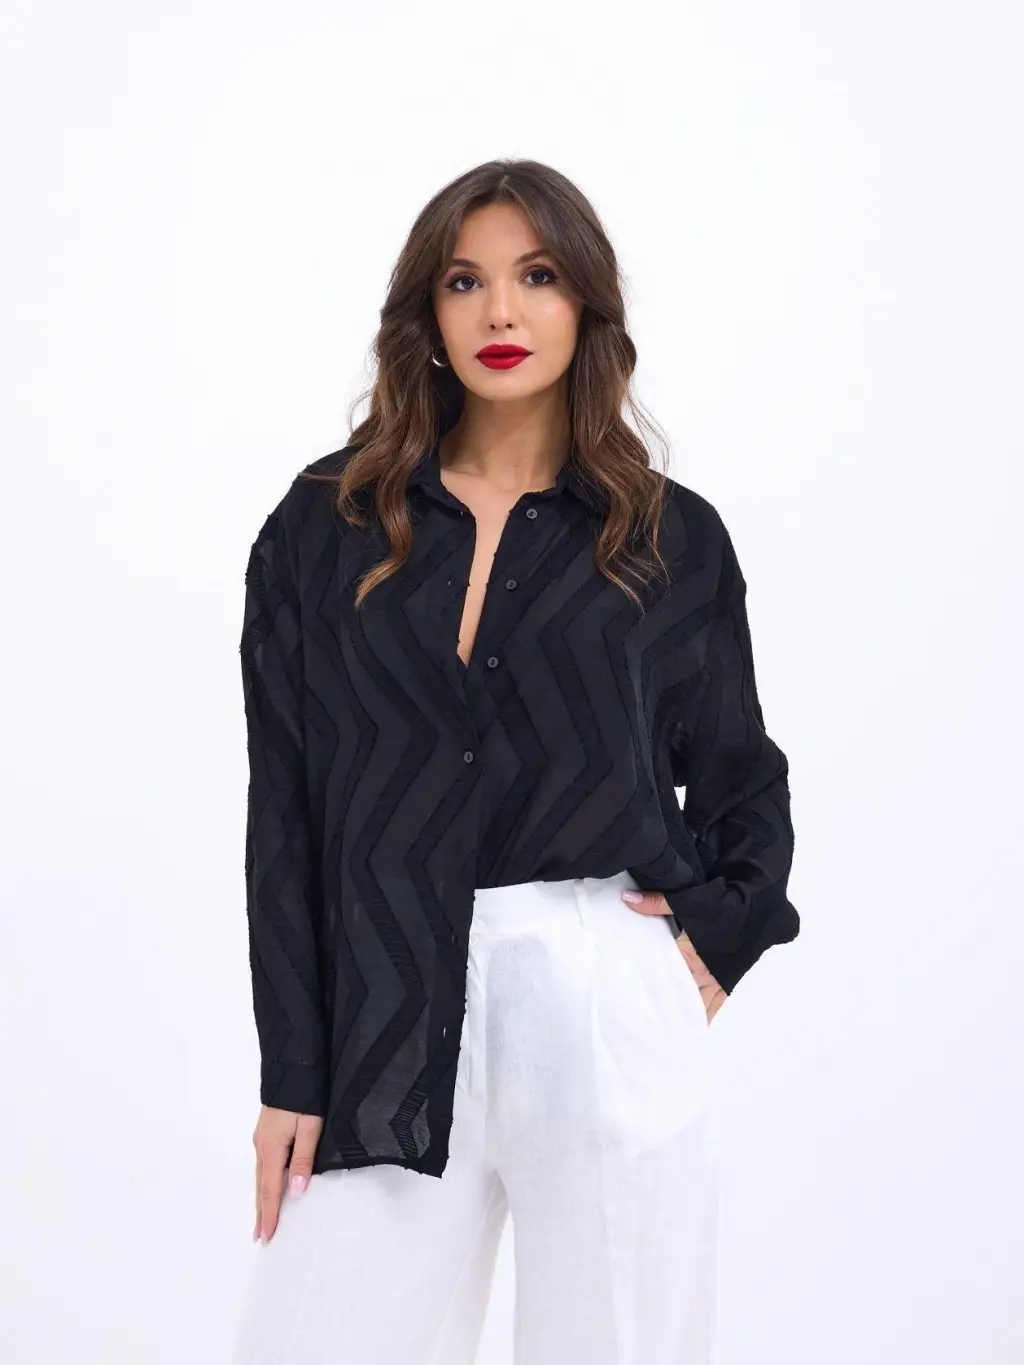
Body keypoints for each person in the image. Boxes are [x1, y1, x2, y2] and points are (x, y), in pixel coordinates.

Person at [230, 157, 799, 1365]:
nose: (500, 311)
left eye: (537, 277)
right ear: (426, 314)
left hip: (597, 989)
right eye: (464, 281)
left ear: (585, 303)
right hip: (382, 1003)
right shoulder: (324, 525)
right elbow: (284, 808)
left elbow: (741, 774)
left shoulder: (668, 537)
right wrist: (293, 1067)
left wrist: (722, 927)